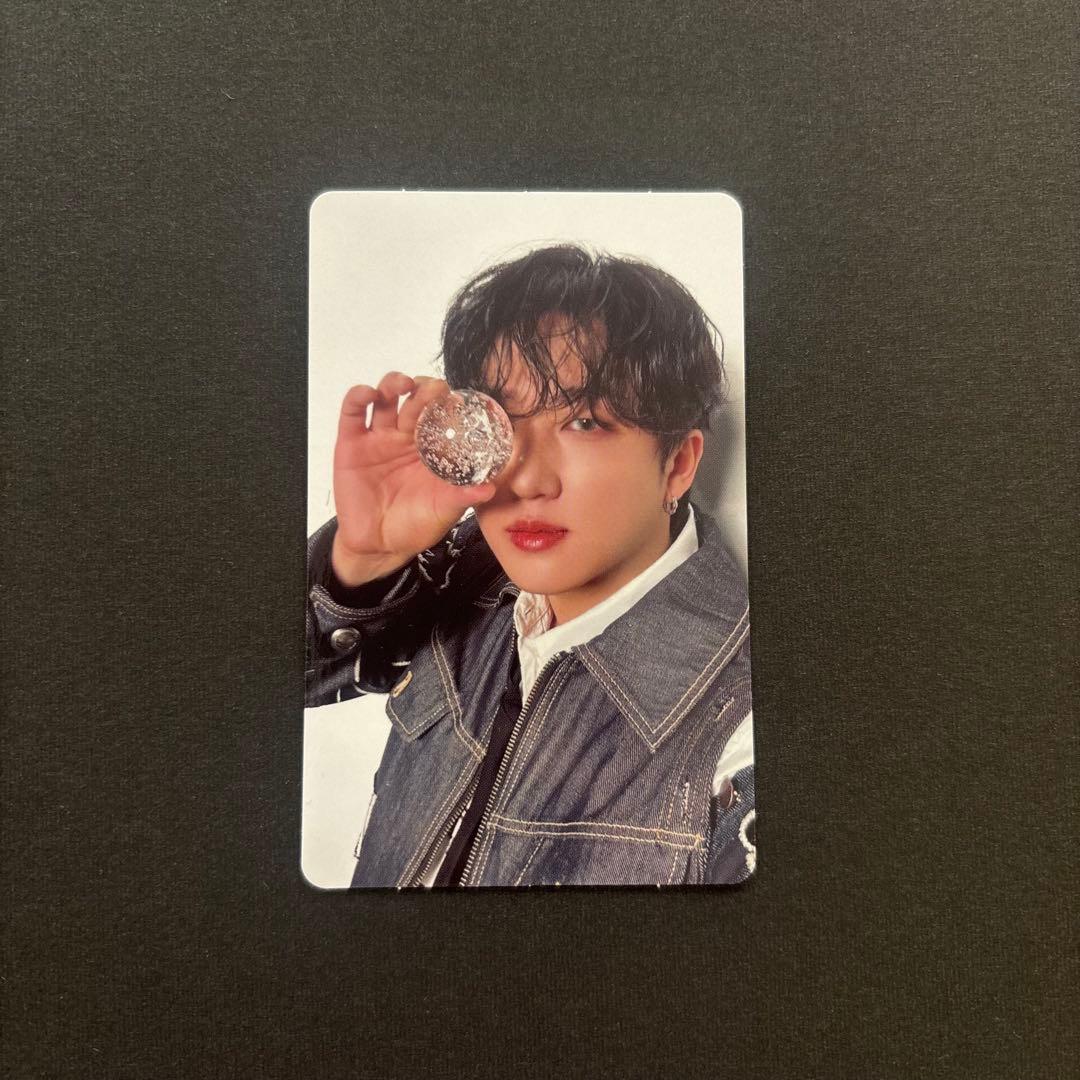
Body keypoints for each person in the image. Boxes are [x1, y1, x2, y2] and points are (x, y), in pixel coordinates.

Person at [305, 244, 755, 887]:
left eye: (585, 422)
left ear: (678, 464)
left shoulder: (737, 726)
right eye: (502, 423)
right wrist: (363, 558)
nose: (526, 479)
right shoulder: (465, 566)